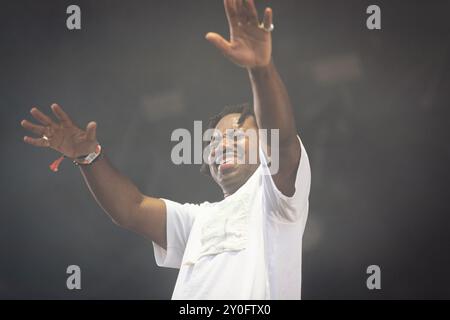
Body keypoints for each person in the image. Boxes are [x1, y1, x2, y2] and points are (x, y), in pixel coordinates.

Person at [20, 0, 311, 300]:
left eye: (236, 136)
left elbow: (285, 142)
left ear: (265, 148)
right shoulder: (197, 220)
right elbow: (130, 209)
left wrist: (260, 70)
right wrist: (87, 156)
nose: (222, 144)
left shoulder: (276, 202)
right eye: (213, 141)